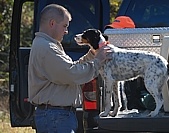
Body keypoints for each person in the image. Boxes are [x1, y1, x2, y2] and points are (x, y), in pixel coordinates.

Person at [28, 4, 112, 133]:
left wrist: (93, 54)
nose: (66, 31)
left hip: (57, 116)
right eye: (65, 26)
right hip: (55, 117)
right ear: (52, 23)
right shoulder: (47, 48)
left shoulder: (48, 45)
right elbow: (71, 74)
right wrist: (97, 61)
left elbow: (71, 68)